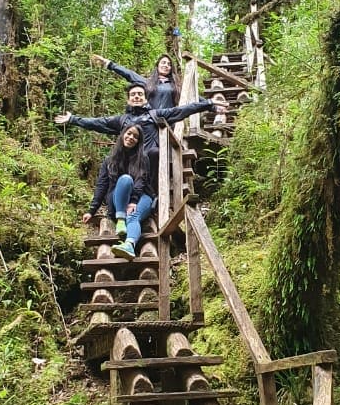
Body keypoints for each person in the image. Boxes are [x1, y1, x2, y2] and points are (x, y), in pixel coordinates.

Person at [55, 84, 225, 184]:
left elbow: (181, 110)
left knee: (154, 153)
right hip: (128, 163)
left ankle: (152, 196)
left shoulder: (155, 114)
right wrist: (73, 119)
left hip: (148, 162)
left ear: (145, 99)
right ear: (129, 99)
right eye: (133, 95)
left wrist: (208, 103)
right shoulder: (122, 120)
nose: (136, 97)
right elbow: (98, 123)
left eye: (140, 94)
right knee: (110, 161)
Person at [81, 124, 155, 260]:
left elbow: (141, 181)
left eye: (135, 137)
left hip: (141, 197)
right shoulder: (110, 160)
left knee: (133, 215)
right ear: (122, 134)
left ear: (139, 141)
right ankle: (121, 219)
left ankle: (129, 245)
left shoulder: (143, 158)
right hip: (118, 200)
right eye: (129, 133)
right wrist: (91, 210)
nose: (131, 137)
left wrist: (133, 201)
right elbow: (102, 185)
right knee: (125, 180)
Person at [91, 52, 181, 110]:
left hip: (169, 122)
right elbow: (129, 74)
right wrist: (109, 64)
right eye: (163, 63)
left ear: (171, 68)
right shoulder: (148, 82)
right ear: (157, 66)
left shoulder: (174, 85)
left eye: (169, 64)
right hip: (150, 120)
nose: (166, 65)